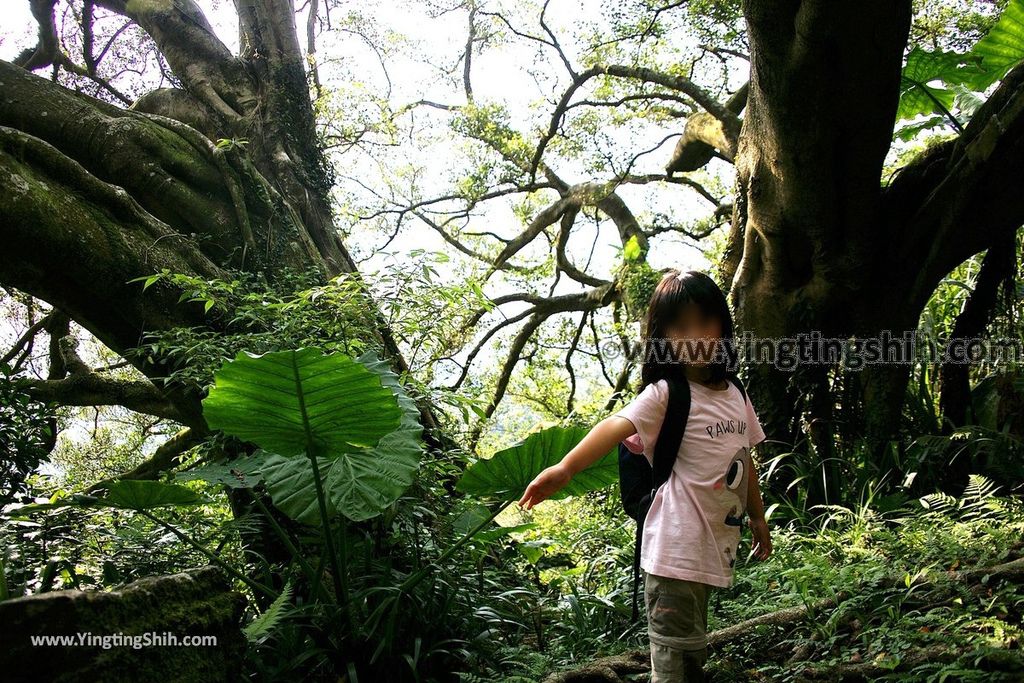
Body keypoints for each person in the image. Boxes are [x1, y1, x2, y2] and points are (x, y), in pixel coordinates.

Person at [517, 269, 772, 682]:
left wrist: (757, 517)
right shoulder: (665, 393)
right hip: (674, 550)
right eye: (682, 327)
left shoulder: (736, 395)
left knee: (690, 654)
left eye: (705, 322)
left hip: (710, 549)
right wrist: (566, 467)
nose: (696, 336)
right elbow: (616, 425)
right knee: (673, 662)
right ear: (664, 337)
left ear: (722, 325)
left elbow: (744, 463)